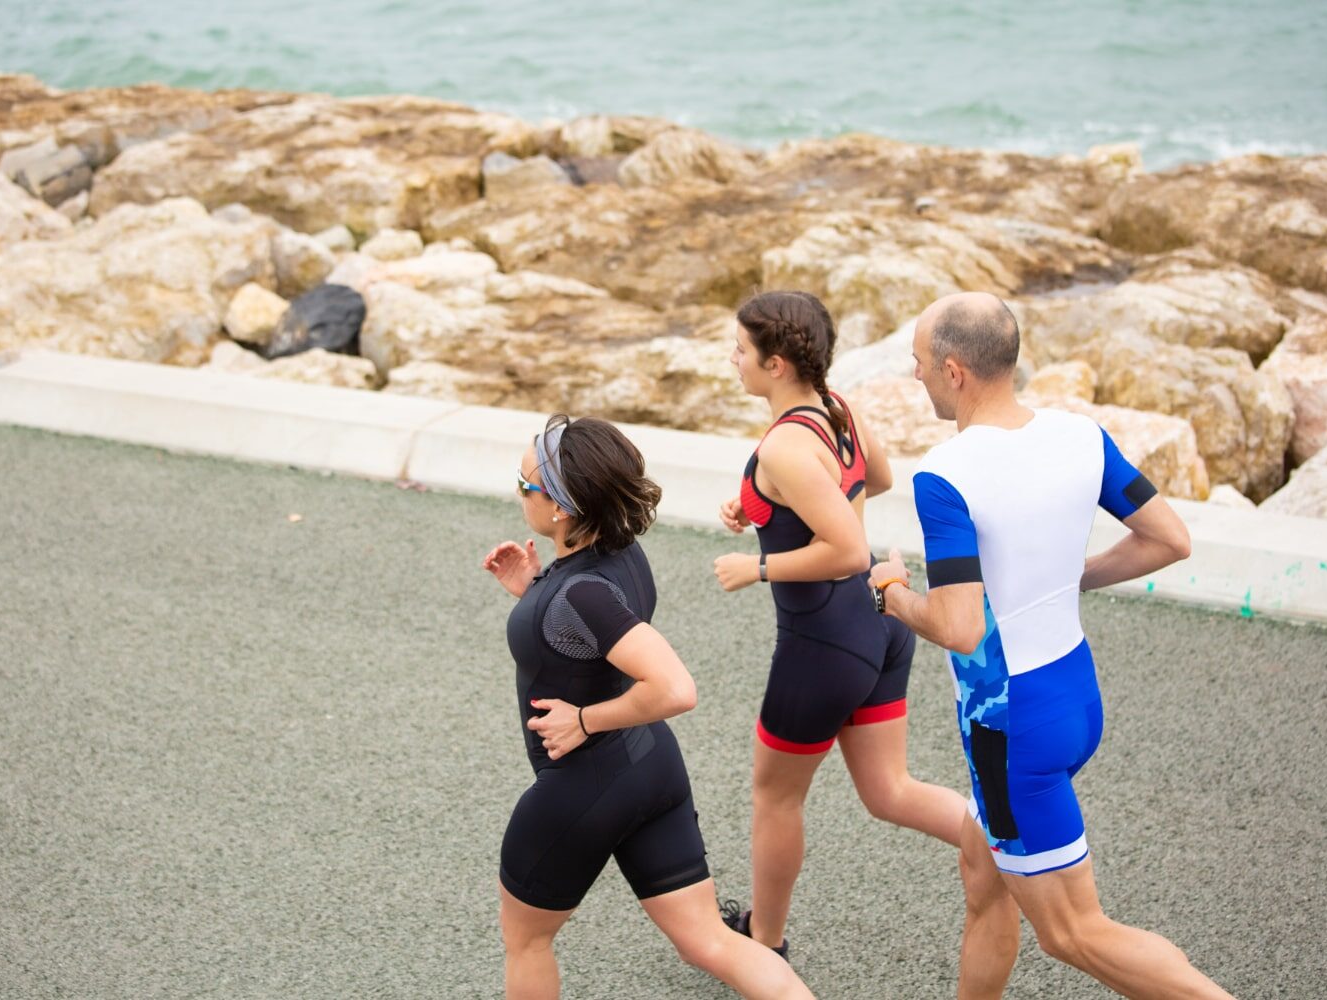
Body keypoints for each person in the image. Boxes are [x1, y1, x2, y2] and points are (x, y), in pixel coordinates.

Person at [872, 292, 1234, 999]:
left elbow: (961, 627)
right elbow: (1170, 539)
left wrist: (889, 592)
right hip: (1072, 695)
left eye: (917, 364)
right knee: (985, 880)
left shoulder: (946, 476)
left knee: (1073, 933)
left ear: (953, 372)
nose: (914, 377)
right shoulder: (1080, 435)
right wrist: (1070, 578)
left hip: (1012, 732)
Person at [482, 414, 812, 1000]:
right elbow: (589, 638)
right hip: (648, 769)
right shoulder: (619, 552)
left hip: (583, 786)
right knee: (708, 941)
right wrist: (535, 589)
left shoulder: (579, 594)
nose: (518, 491)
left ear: (561, 508)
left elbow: (676, 687)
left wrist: (584, 720)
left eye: (525, 483)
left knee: (527, 941)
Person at [713, 290, 967, 958]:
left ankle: (764, 944)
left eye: (740, 348)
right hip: (880, 625)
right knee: (890, 791)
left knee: (774, 798)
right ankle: (1000, 843)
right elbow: (874, 478)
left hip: (822, 645)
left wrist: (758, 568)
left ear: (774, 364)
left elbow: (847, 550)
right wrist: (766, 511)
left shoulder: (784, 450)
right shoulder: (837, 408)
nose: (731, 358)